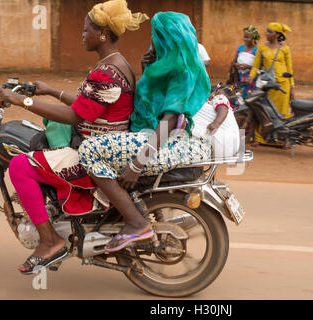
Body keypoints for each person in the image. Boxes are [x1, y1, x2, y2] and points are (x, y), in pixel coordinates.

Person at [0, 0, 149, 274]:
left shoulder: (106, 72)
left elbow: (77, 116)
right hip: (99, 143)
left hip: (96, 151)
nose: (82, 35)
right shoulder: (117, 63)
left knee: (19, 166)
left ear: (101, 34)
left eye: (86, 30)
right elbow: (89, 105)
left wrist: (19, 101)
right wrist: (51, 91)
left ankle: (50, 241)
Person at [77, 12, 239, 253]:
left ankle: (136, 223)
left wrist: (137, 164)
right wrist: (148, 68)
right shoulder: (168, 65)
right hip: (166, 139)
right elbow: (149, 106)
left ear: (167, 39)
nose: (152, 42)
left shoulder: (182, 71)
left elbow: (169, 119)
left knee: (89, 150)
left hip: (174, 143)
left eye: (156, 36)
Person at [247, 22, 295, 147]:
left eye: (270, 32)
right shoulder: (262, 48)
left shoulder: (285, 49)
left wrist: (292, 87)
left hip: (282, 86)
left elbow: (289, 69)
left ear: (277, 35)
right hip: (267, 85)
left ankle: (282, 139)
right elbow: (256, 66)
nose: (266, 34)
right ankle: (259, 138)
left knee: (281, 113)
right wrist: (251, 77)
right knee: (262, 111)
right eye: (267, 31)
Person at [227, 25, 260, 97]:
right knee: (236, 96)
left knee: (250, 98)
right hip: (239, 79)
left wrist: (248, 67)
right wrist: (236, 65)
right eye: (244, 36)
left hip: (252, 80)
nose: (245, 39)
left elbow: (259, 67)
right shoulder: (240, 48)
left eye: (247, 37)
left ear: (254, 38)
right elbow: (234, 62)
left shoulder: (257, 51)